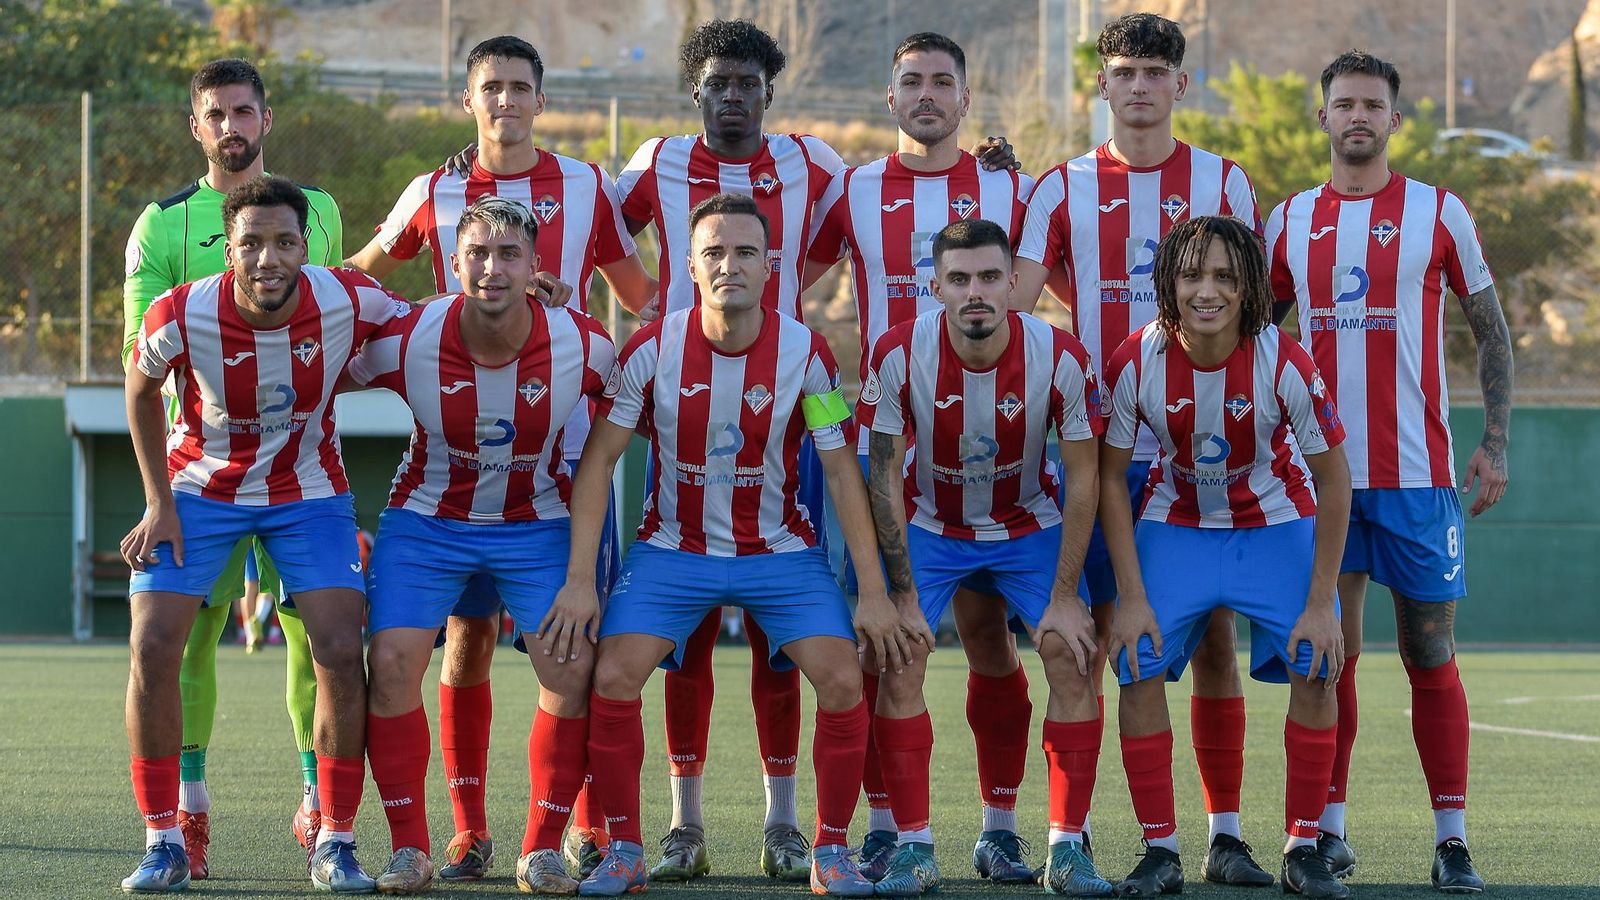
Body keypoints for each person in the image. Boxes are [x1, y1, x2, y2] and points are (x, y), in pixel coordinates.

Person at [347, 35, 655, 880]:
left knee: (573, 654)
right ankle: (455, 831)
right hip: (440, 492)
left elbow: (645, 301)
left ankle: (571, 832)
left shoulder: (586, 186)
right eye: (492, 88)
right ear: (469, 99)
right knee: (460, 646)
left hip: (550, 475)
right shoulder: (434, 191)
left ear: (540, 101)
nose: (507, 102)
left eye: (521, 88)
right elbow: (354, 283)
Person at [557, 193, 907, 897]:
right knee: (613, 677)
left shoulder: (805, 349)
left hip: (779, 553)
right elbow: (597, 463)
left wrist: (873, 590)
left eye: (745, 252)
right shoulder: (651, 347)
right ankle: (626, 846)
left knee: (844, 680)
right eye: (713, 252)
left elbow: (841, 470)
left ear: (772, 267)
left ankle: (830, 851)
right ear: (689, 265)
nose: (729, 265)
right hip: (672, 551)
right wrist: (579, 580)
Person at [1010, 14, 1273, 884]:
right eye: (1123, 70)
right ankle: (1091, 835)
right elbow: (1009, 297)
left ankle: (1223, 834)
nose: (1139, 85)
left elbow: (1257, 306)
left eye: (1156, 71)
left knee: (1215, 643)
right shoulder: (1060, 189)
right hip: (1098, 448)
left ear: (1180, 85)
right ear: (1102, 84)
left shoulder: (1223, 182)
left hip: (1207, 445)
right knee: (1111, 648)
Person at [1265, 50, 1511, 894]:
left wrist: (1498, 440)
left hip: (1417, 477)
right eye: (1343, 103)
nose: (1358, 115)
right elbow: (1253, 339)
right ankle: (1327, 831)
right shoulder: (1289, 220)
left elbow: (1491, 329)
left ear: (1395, 120)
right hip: (1319, 480)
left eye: (1373, 104)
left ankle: (1451, 841)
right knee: (1327, 657)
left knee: (1428, 650)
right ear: (1323, 117)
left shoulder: (1441, 214)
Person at [120, 175, 408, 893]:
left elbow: (432, 326)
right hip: (200, 490)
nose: (268, 258)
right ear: (229, 251)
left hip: (308, 492)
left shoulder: (345, 295)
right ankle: (163, 841)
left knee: (342, 649)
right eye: (251, 243)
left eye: (285, 242)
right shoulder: (181, 312)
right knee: (154, 645)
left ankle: (336, 840)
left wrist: (538, 303)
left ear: (306, 247)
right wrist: (159, 499)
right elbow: (138, 387)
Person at [802, 31, 1043, 884]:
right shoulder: (855, 189)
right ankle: (885, 827)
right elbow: (782, 289)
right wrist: (823, 391)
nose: (928, 94)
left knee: (989, 641)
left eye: (944, 81)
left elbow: (1052, 290)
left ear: (967, 100)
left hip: (1004, 451)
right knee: (882, 643)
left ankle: (1001, 826)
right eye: (913, 81)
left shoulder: (1010, 187)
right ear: (890, 97)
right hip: (893, 456)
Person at [346, 196, 617, 894]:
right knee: (395, 659)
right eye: (477, 254)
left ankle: (542, 848)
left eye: (508, 256)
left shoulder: (584, 344)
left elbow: (640, 413)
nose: (491, 269)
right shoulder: (408, 337)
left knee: (570, 664)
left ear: (534, 268)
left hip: (537, 521)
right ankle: (413, 848)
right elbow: (320, 379)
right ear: (454, 262)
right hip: (428, 522)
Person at [119, 57, 341, 879]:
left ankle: (320, 803)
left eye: (243, 112)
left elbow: (332, 318)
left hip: (301, 469)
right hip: (204, 470)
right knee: (189, 639)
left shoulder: (316, 210)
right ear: (196, 126)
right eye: (215, 115)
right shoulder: (163, 225)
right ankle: (188, 814)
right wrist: (158, 493)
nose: (231, 127)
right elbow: (142, 356)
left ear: (267, 119)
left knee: (307, 635)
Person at [1099, 215, 1351, 899]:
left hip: (1273, 526)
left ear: (1248, 290)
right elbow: (1109, 483)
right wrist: (1130, 596)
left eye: (1224, 277)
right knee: (1134, 662)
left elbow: (1335, 481)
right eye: (1191, 275)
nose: (1206, 291)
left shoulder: (1283, 358)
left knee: (1319, 665)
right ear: (1168, 284)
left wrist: (1323, 602)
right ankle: (1161, 851)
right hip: (1174, 522)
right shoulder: (1136, 360)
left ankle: (1304, 847)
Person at [857, 218, 1108, 897]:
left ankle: (1063, 848)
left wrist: (1063, 595)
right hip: (932, 525)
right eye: (960, 279)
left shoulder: (1060, 355)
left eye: (991, 277)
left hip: (1028, 524)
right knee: (899, 652)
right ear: (934, 286)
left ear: (1013, 284)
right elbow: (881, 473)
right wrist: (902, 594)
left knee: (1066, 647)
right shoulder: (897, 351)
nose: (977, 292)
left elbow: (1085, 476)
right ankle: (913, 847)